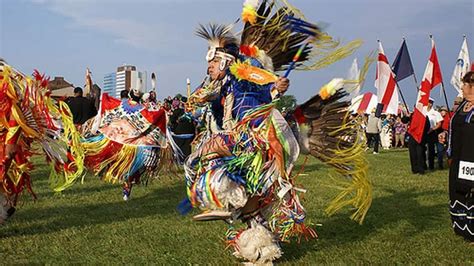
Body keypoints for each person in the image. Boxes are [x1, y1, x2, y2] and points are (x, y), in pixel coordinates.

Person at [447, 71, 474, 242]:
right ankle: (461, 226)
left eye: (464, 84)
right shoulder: (463, 105)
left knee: (471, 189)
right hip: (458, 158)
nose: (462, 88)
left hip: (472, 158)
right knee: (458, 188)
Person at [425, 98, 443, 170]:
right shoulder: (423, 112)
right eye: (428, 102)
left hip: (432, 133)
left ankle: (431, 166)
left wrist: (432, 129)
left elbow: (439, 124)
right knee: (423, 150)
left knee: (431, 150)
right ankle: (424, 165)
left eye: (430, 102)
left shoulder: (436, 113)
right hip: (423, 133)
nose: (429, 104)